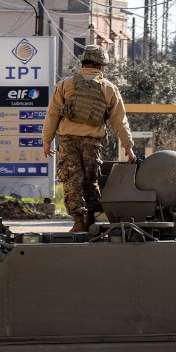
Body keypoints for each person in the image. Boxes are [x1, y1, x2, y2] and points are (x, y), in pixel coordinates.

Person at [43, 45, 136, 232]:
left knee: (72, 180)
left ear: (83, 63)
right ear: (101, 66)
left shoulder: (65, 84)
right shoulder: (109, 88)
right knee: (90, 180)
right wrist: (128, 146)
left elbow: (52, 114)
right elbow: (119, 120)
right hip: (92, 143)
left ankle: (78, 222)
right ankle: (90, 220)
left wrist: (47, 140)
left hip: (68, 142)